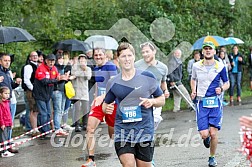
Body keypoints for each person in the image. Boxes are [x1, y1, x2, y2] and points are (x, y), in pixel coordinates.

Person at [102, 42, 165, 167]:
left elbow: (161, 99)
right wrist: (106, 109)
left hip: (144, 131)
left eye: (129, 55)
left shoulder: (147, 76)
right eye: (123, 56)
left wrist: (152, 101)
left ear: (134, 57)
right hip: (123, 132)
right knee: (128, 165)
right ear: (118, 59)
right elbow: (105, 104)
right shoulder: (113, 82)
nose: (127, 59)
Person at [190, 41, 230, 167]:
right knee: (204, 134)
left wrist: (222, 88)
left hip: (215, 103)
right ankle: (206, 137)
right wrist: (193, 90)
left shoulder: (220, 66)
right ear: (202, 51)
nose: (208, 51)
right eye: (205, 49)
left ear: (214, 52)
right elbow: (193, 79)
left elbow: (227, 83)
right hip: (201, 103)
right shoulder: (196, 66)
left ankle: (212, 158)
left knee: (213, 133)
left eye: (210, 49)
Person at [81, 48, 117, 167]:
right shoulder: (96, 68)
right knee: (89, 129)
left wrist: (103, 96)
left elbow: (114, 84)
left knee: (112, 133)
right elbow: (98, 85)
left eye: (100, 54)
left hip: (111, 102)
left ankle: (124, 153)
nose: (98, 57)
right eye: (96, 55)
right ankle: (91, 160)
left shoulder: (111, 67)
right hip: (99, 102)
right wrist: (96, 98)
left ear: (105, 56)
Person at [135, 42, 169, 129]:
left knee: (155, 120)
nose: (145, 54)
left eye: (147, 52)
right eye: (143, 52)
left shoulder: (163, 67)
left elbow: (163, 82)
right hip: (142, 99)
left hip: (156, 98)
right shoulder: (136, 66)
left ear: (154, 51)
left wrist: (165, 91)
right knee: (143, 123)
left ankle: (149, 137)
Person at [33, 54, 67, 137]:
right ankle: (45, 131)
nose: (51, 62)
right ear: (46, 61)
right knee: (44, 113)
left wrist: (62, 79)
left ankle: (45, 130)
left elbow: (56, 81)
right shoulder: (40, 68)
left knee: (48, 113)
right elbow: (44, 81)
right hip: (40, 94)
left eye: (53, 61)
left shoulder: (55, 69)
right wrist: (56, 80)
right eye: (49, 60)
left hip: (48, 94)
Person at [51, 54, 71, 136]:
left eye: (62, 58)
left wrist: (67, 77)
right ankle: (57, 128)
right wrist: (60, 78)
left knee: (62, 109)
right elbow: (54, 79)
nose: (61, 60)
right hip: (57, 90)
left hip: (63, 90)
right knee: (58, 110)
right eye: (59, 58)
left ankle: (59, 126)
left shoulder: (63, 67)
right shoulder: (55, 68)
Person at [71, 54, 91, 132]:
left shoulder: (88, 68)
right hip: (76, 90)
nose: (82, 61)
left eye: (84, 59)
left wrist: (84, 69)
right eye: (81, 59)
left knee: (85, 108)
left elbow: (88, 76)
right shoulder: (74, 67)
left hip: (84, 91)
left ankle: (85, 124)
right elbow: (73, 74)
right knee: (77, 109)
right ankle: (77, 125)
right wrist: (80, 72)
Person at [22, 51, 40, 137]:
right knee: (31, 109)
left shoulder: (37, 66)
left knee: (35, 109)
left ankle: (34, 128)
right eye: (33, 56)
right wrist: (33, 89)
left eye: (36, 55)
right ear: (29, 57)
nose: (35, 57)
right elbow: (26, 80)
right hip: (31, 90)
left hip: (36, 90)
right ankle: (31, 129)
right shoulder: (28, 66)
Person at [0, 86, 15, 157]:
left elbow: (9, 114)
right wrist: (2, 123)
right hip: (4, 124)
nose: (7, 95)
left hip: (8, 123)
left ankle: (5, 150)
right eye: (5, 93)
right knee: (3, 138)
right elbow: (1, 115)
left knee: (6, 137)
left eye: (8, 93)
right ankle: (4, 151)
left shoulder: (7, 102)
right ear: (1, 94)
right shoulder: (1, 104)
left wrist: (11, 123)